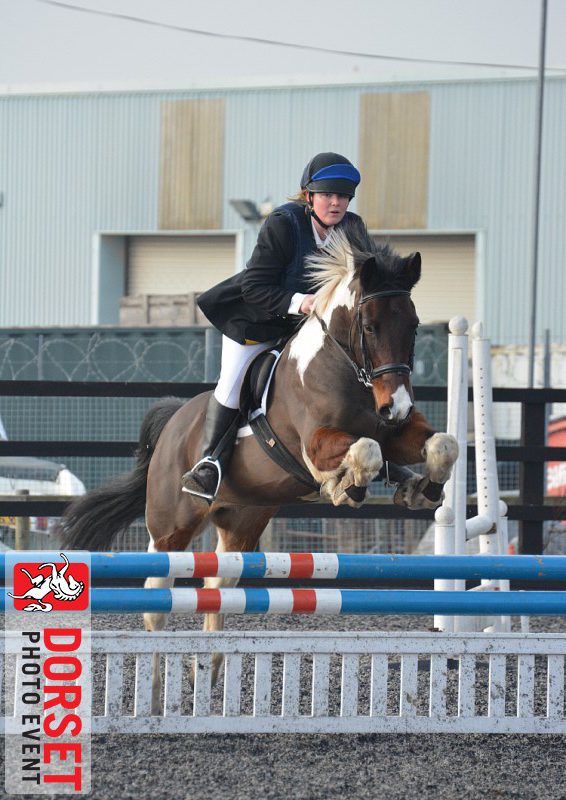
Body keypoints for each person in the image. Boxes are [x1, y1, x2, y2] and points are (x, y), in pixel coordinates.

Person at [181, 152, 365, 505]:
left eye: (343, 197)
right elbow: (255, 286)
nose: (336, 203)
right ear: (308, 196)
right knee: (232, 384)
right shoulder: (284, 223)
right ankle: (208, 464)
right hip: (258, 320)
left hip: (309, 330)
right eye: (328, 195)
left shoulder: (353, 229)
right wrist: (303, 302)